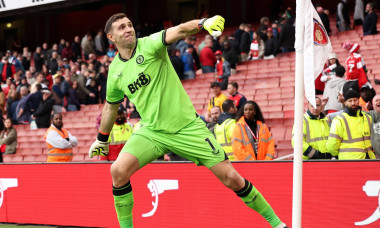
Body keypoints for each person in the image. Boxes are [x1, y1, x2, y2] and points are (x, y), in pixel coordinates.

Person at [88, 13, 288, 228]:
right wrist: (102, 139)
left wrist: (203, 23)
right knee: (117, 171)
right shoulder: (115, 71)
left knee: (231, 178)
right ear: (111, 37)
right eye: (121, 28)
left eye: (129, 25)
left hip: (188, 128)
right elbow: (111, 105)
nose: (128, 29)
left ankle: (277, 224)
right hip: (151, 132)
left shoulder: (150, 45)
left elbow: (181, 30)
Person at [326, 88, 376, 159]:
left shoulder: (367, 118)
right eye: (350, 101)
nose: (353, 103)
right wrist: (337, 154)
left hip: (368, 158)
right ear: (345, 102)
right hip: (348, 160)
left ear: (359, 100)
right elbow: (332, 144)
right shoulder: (339, 120)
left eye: (355, 100)